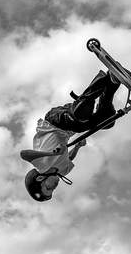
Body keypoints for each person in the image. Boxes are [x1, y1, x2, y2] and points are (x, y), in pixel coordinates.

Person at [20, 70, 120, 201]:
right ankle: (112, 85)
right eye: (52, 190)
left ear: (40, 178)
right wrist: (77, 147)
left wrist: (52, 154)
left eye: (48, 188)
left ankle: (103, 79)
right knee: (107, 122)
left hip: (54, 120)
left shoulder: (41, 165)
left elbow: (24, 154)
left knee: (80, 118)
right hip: (70, 128)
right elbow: (69, 158)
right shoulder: (63, 171)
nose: (54, 187)